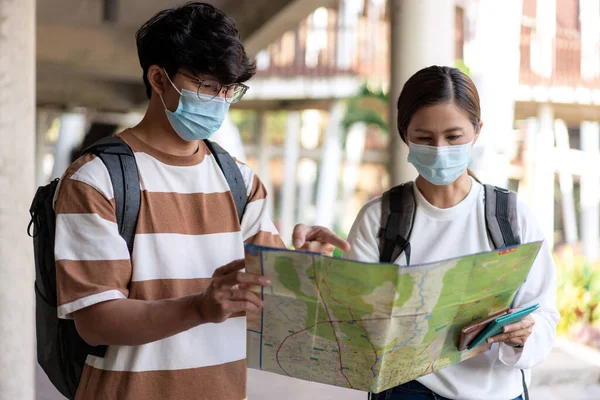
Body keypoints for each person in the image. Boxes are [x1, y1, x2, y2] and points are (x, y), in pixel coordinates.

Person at [53, 3, 349, 399]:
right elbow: (96, 319)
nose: (220, 101)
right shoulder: (96, 179)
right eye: (208, 86)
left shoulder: (241, 181)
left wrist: (308, 265)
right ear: (158, 78)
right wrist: (198, 308)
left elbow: (274, 304)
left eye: (229, 90)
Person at [346, 66, 559, 400]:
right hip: (405, 390)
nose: (440, 149)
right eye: (425, 138)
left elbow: (543, 313)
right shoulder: (379, 219)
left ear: (477, 131)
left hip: (496, 391)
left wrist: (521, 336)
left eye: (453, 136)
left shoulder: (511, 216)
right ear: (405, 135)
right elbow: (352, 325)